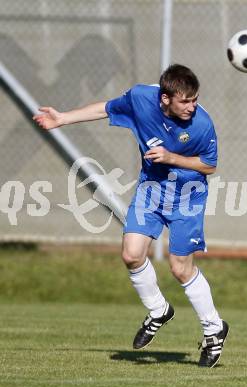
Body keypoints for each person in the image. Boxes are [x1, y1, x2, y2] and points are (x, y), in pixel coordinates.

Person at [33, 64, 229, 368]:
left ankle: (214, 329)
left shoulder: (202, 124)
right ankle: (159, 309)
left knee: (180, 269)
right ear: (165, 99)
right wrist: (63, 119)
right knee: (131, 254)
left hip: (187, 197)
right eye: (185, 101)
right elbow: (108, 108)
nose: (192, 106)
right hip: (151, 190)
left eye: (194, 99)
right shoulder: (140, 98)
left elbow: (210, 166)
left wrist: (172, 158)